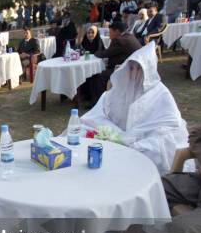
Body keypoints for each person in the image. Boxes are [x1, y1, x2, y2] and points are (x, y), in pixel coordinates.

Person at [81, 42, 189, 175]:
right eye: (131, 68)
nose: (135, 73)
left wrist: (134, 142)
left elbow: (170, 126)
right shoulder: (120, 90)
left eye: (140, 69)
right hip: (117, 141)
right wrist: (113, 134)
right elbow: (97, 114)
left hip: (143, 143)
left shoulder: (161, 94)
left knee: (154, 149)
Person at [91, 21, 141, 97]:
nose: (109, 35)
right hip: (135, 68)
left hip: (127, 70)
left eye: (110, 32)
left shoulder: (119, 40)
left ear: (117, 31)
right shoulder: (130, 36)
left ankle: (99, 101)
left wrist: (95, 53)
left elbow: (105, 54)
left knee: (100, 76)